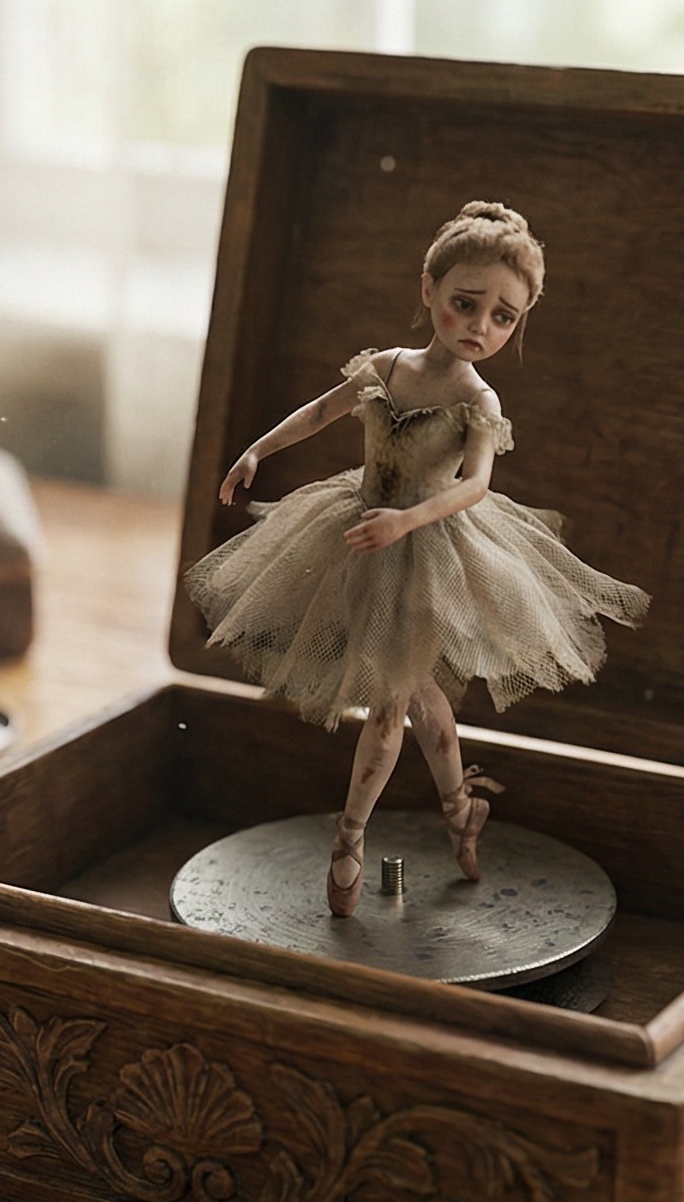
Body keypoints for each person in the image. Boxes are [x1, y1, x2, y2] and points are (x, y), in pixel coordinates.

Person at [186, 200, 649, 917]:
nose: (478, 327)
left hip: (426, 548)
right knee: (420, 696)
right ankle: (462, 810)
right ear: (428, 290)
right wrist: (257, 449)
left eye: (503, 317)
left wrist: (407, 520)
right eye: (465, 304)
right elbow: (320, 412)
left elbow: (476, 485)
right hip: (357, 531)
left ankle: (348, 840)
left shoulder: (476, 398)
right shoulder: (385, 367)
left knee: (390, 700)